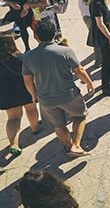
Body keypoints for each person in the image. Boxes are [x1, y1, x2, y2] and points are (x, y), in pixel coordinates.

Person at [22, 21, 94, 157]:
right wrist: (89, 82)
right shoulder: (65, 51)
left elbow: (27, 80)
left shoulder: (28, 57)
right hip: (69, 95)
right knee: (79, 116)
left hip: (46, 99)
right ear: (54, 34)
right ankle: (76, 145)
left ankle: (68, 145)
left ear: (35, 36)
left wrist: (34, 95)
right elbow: (79, 70)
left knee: (58, 125)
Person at [0, 34, 42, 155]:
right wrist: (35, 91)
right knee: (31, 109)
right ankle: (35, 127)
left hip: (5, 93)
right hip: (24, 89)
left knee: (13, 118)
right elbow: (32, 76)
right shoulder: (22, 58)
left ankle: (14, 145)